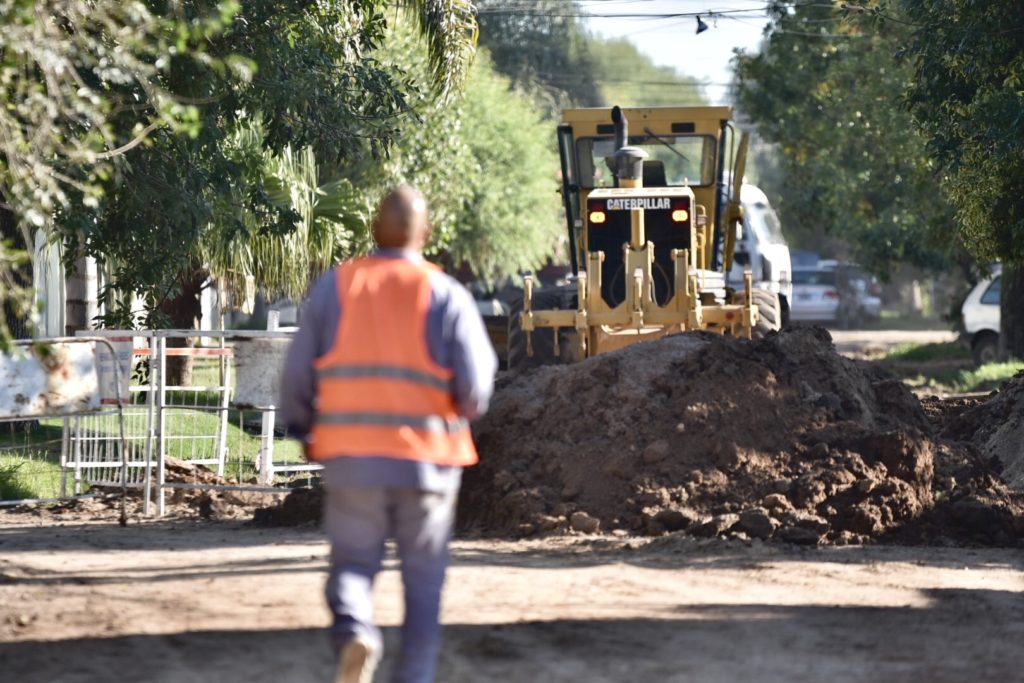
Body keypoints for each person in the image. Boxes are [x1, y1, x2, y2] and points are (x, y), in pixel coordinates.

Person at [279, 185, 497, 683]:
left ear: (375, 230)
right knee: (424, 582)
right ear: (425, 234)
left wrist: (302, 427)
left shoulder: (337, 287)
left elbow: (296, 376)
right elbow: (477, 388)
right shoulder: (446, 293)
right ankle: (413, 677)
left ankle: (357, 630)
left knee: (353, 564)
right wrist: (458, 412)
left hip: (353, 459)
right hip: (429, 463)